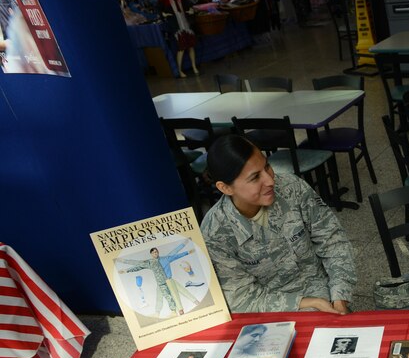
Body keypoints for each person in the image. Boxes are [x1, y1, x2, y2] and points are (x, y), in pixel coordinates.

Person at [201, 135, 356, 314]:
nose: (270, 181)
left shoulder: (292, 188)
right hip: (273, 316)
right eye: (255, 177)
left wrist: (339, 296)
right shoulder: (215, 233)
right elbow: (242, 298)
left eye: (267, 166)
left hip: (327, 296)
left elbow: (333, 242)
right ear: (225, 188)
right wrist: (308, 303)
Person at [117, 243, 199, 317]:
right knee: (160, 296)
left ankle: (180, 309)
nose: (155, 253)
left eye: (156, 252)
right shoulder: (150, 262)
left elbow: (176, 253)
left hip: (168, 280)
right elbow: (138, 265)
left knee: (176, 293)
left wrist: (187, 251)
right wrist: (126, 269)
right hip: (160, 283)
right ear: (151, 254)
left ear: (158, 252)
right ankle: (158, 313)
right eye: (153, 252)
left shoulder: (166, 258)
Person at [157, 0, 199, 78]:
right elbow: (159, 9)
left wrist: (191, 9)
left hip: (185, 22)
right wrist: (163, 14)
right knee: (181, 48)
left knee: (191, 46)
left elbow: (188, 4)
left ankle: (194, 66)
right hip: (176, 24)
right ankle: (179, 70)